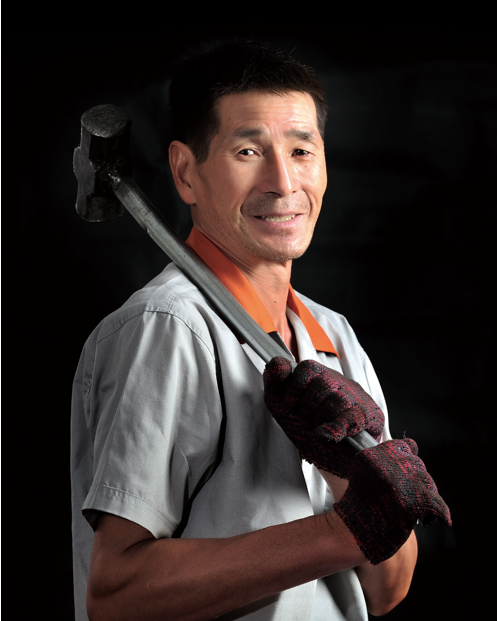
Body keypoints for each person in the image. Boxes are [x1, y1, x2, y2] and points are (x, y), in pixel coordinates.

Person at [71, 40, 451, 621]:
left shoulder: (333, 336)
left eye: (301, 150)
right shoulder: (168, 328)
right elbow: (116, 597)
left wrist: (348, 474)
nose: (283, 182)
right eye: (248, 150)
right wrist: (340, 534)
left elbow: (386, 591)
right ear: (186, 172)